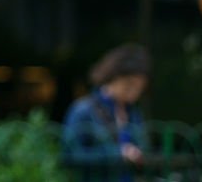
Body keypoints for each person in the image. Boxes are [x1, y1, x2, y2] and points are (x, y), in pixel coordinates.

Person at [61, 43, 150, 181]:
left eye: (140, 87)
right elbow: (69, 156)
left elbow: (144, 147)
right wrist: (117, 154)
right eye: (129, 84)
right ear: (113, 77)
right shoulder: (83, 109)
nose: (134, 92)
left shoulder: (134, 113)